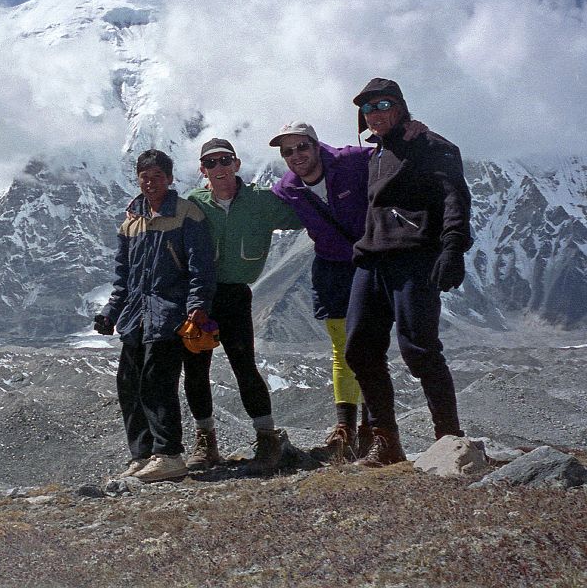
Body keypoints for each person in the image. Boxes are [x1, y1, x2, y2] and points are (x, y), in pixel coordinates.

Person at [268, 118, 428, 461]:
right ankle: (347, 429)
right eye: (288, 151)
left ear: (315, 144)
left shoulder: (351, 159)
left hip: (368, 260)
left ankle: (374, 429)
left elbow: (393, 157)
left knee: (365, 345)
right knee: (343, 345)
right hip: (330, 266)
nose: (296, 155)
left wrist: (411, 132)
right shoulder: (287, 188)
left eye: (301, 146)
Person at [343, 78, 472, 467]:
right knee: (360, 349)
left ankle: (449, 440)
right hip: (372, 260)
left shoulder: (433, 146)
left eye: (383, 105)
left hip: (415, 258)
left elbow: (454, 196)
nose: (375, 113)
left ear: (400, 106)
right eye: (368, 109)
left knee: (419, 348)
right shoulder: (376, 153)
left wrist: (453, 247)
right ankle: (386, 442)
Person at [182, 138, 304, 475]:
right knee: (195, 370)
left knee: (244, 367)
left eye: (225, 161)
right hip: (199, 297)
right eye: (211, 163)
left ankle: (267, 438)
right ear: (202, 171)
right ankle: (206, 441)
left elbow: (305, 213)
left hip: (235, 295)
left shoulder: (261, 202)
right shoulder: (195, 203)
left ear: (236, 164)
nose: (219, 168)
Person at [95, 149, 216, 482]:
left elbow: (200, 269)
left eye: (157, 177)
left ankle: (168, 454)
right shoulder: (130, 221)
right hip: (135, 315)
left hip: (170, 313)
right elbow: (124, 276)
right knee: (129, 384)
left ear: (170, 179)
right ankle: (143, 454)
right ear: (138, 179)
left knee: (157, 382)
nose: (150, 184)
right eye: (144, 178)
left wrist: (196, 308)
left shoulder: (187, 215)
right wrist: (111, 312)